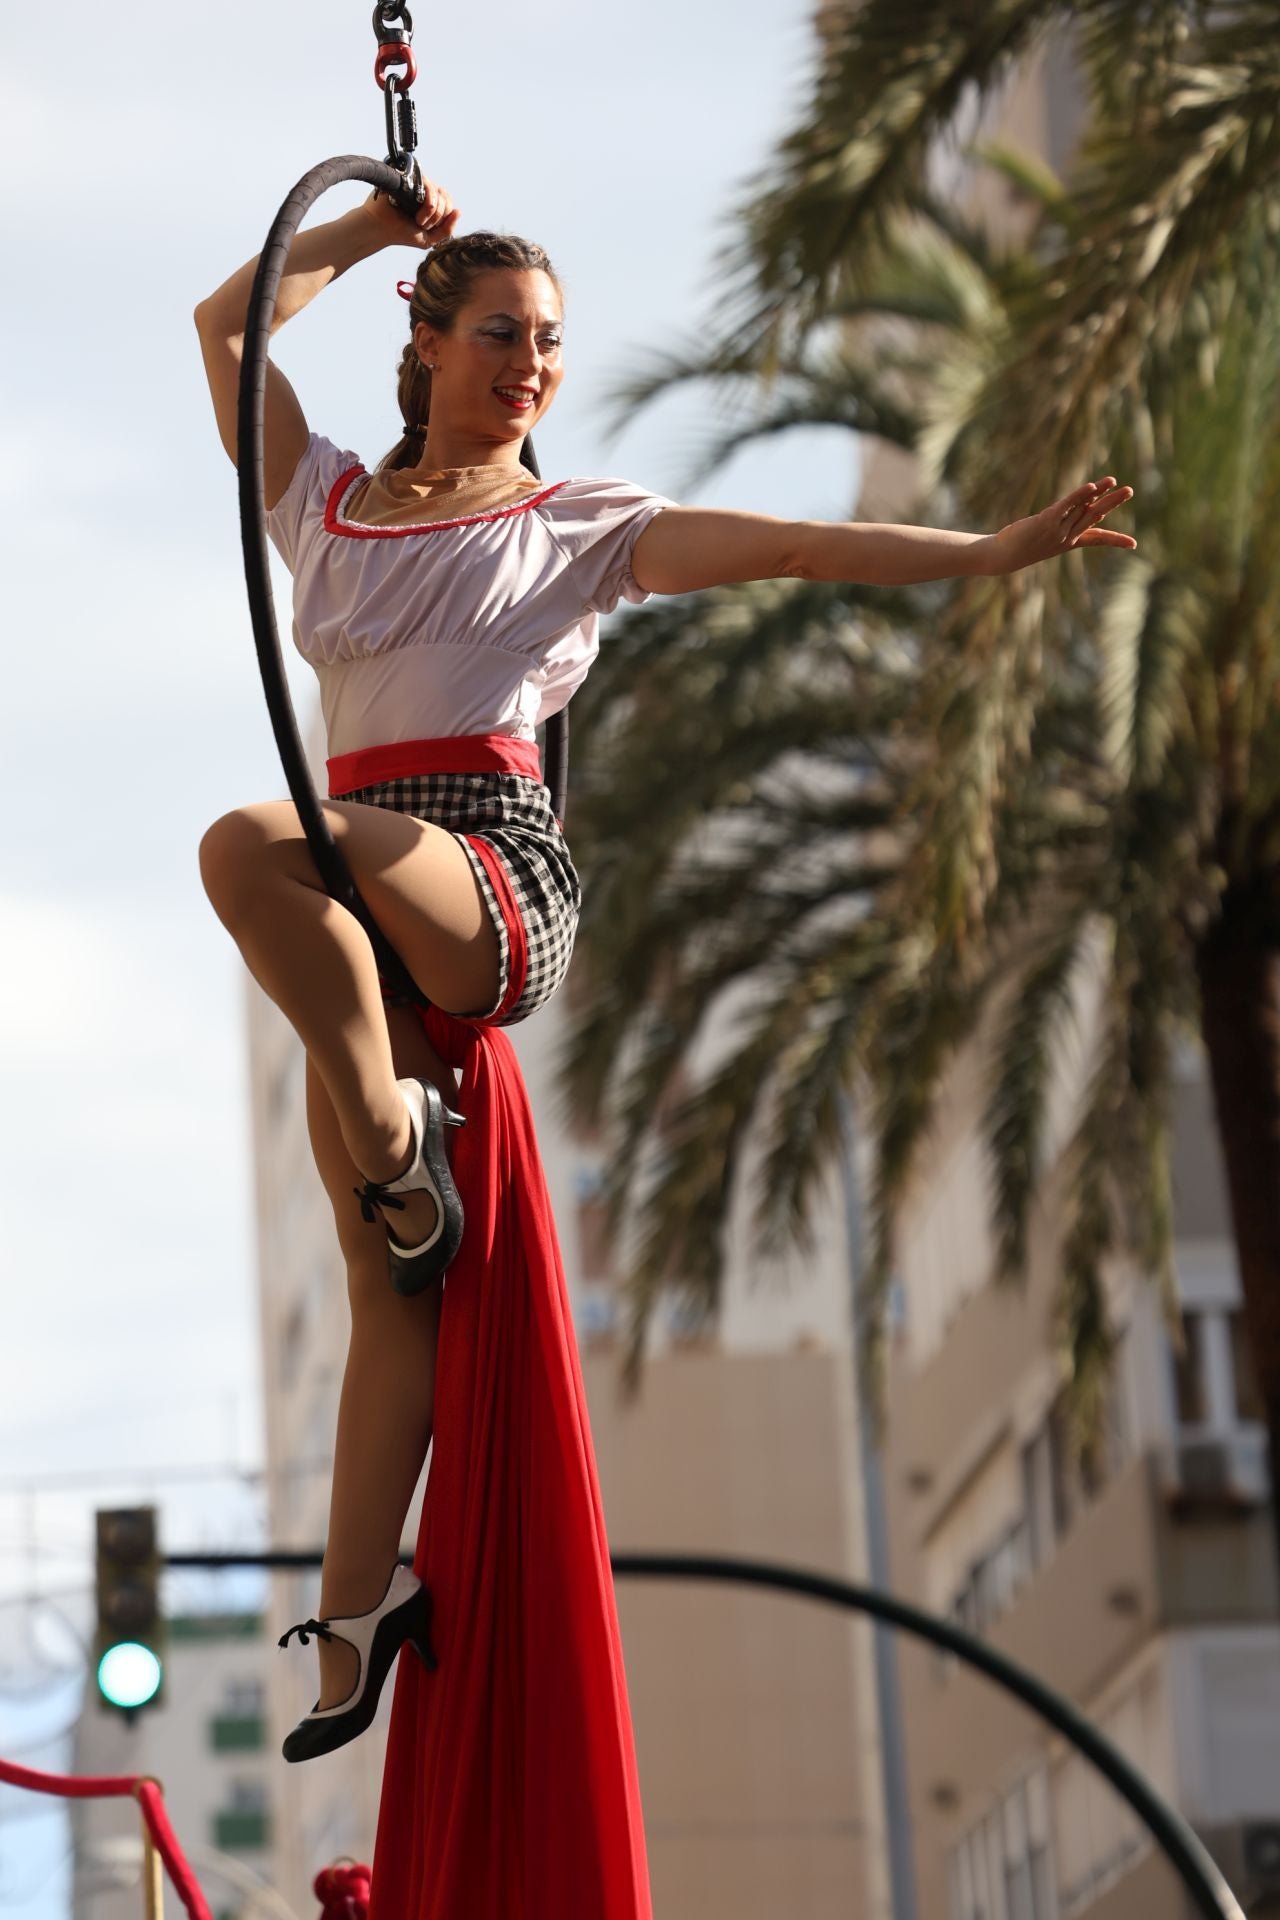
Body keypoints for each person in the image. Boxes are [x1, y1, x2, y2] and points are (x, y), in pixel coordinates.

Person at [193, 177, 1135, 1771]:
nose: (534, 367)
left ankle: (403, 1148)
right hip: (357, 889)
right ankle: (356, 1627)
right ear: (422, 343)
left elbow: (788, 543)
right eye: (501, 334)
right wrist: (369, 231)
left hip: (476, 869)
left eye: (553, 344)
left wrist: (992, 548)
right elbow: (227, 328)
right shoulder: (327, 502)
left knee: (248, 845)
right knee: (380, 1294)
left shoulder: (574, 527)